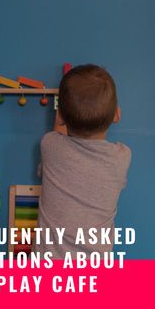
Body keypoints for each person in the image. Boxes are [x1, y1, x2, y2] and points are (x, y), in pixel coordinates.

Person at [35, 64, 131, 258]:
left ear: (60, 116)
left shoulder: (50, 145)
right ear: (117, 115)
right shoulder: (122, 157)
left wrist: (65, 108)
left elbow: (59, 132)